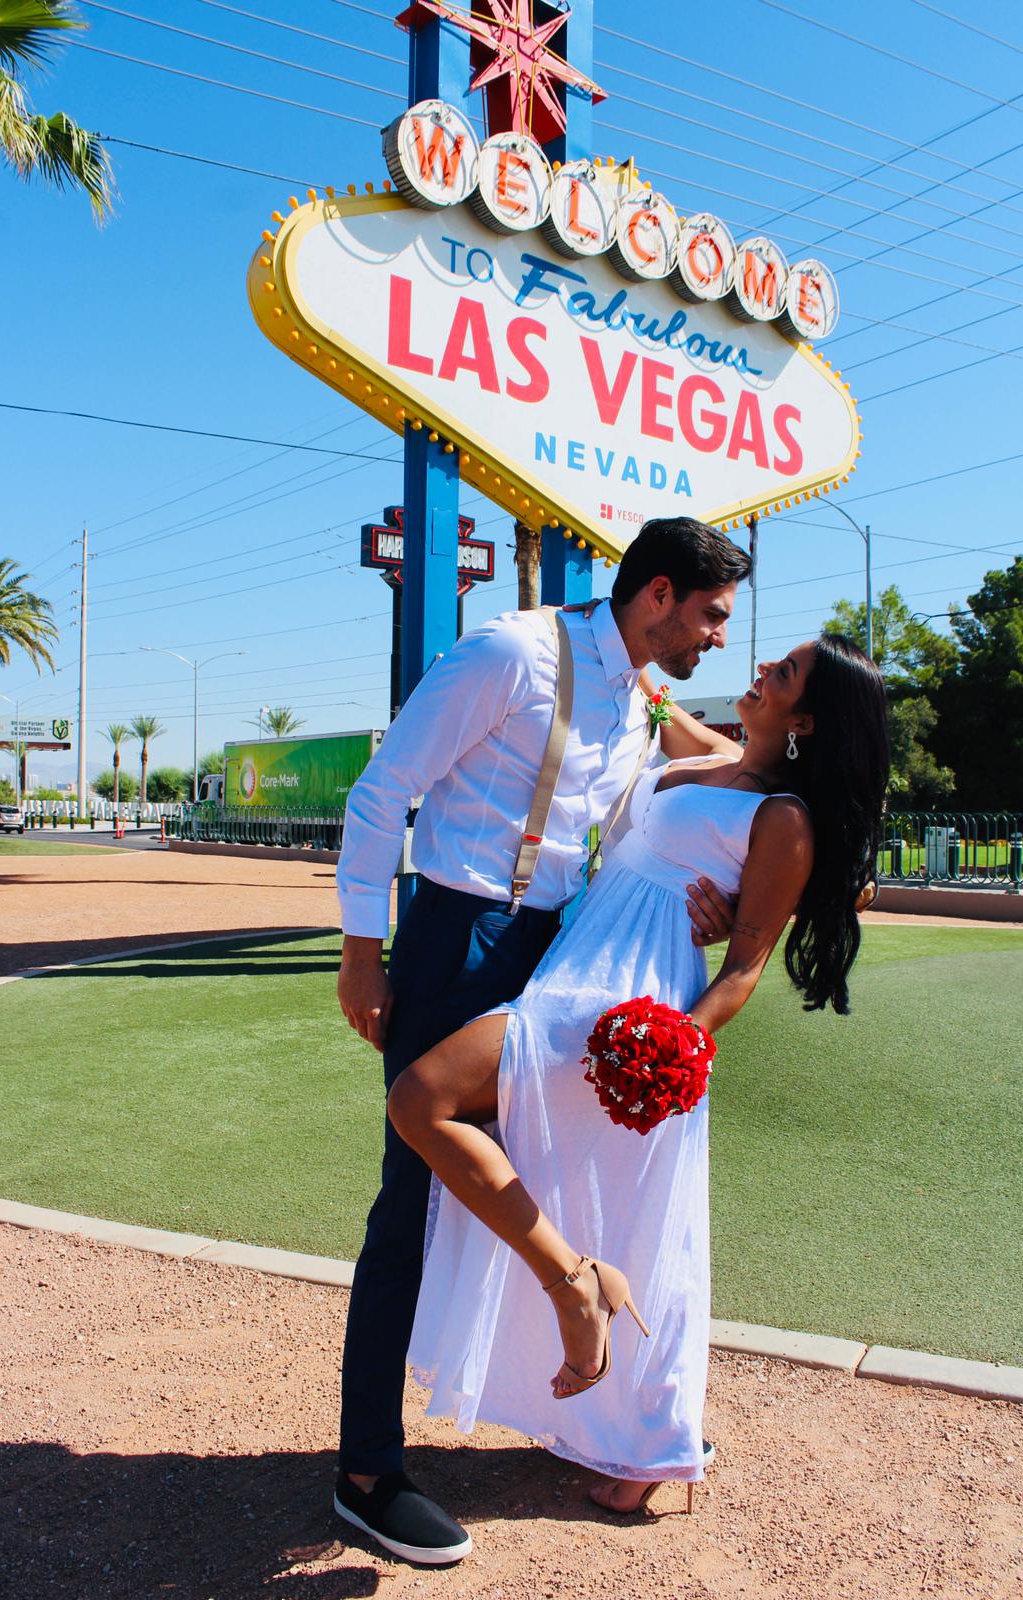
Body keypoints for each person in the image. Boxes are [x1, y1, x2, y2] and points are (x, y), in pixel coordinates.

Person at [388, 633, 889, 1520]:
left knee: (424, 1099)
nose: (761, 669)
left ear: (808, 718)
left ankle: (590, 1311)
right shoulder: (719, 756)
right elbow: (645, 690)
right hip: (574, 963)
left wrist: (674, 1047)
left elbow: (744, 967)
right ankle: (621, 1388)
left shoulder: (785, 818)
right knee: (611, 1202)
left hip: (630, 1000)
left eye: (784, 674)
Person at [334, 516, 753, 1564]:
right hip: (456, 933)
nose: (715, 639)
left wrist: (714, 900)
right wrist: (360, 948)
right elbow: (384, 791)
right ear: (656, 594)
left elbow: (734, 778)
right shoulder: (509, 652)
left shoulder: (644, 693)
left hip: (560, 946)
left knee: (561, 1180)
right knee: (413, 1194)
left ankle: (591, 1419)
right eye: (708, 616)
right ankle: (367, 1470)